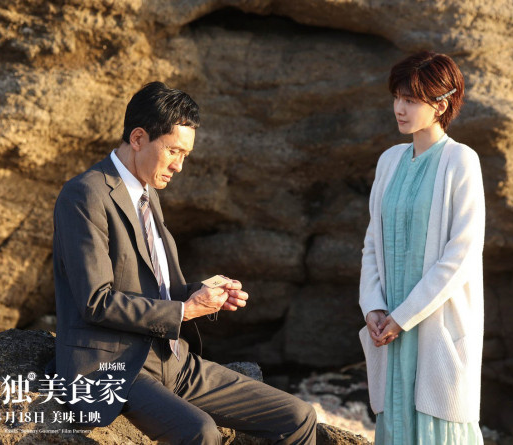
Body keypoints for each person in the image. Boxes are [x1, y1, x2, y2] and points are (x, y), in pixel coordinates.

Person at [50, 81, 317, 444]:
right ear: (138, 138)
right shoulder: (84, 194)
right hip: (115, 367)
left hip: (174, 361)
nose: (179, 166)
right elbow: (96, 302)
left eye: (185, 155)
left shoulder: (147, 193)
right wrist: (185, 311)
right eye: (173, 151)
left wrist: (204, 294)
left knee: (298, 416)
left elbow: (156, 289)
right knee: (200, 432)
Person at [358, 51, 485, 444]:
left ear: (441, 105)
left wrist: (403, 317)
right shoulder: (389, 161)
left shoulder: (461, 160)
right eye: (397, 97)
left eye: (411, 100)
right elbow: (372, 242)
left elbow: (462, 254)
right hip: (389, 328)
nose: (400, 108)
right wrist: (373, 306)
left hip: (435, 324)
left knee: (440, 423)